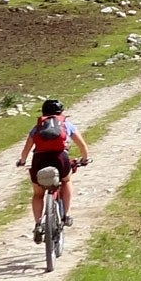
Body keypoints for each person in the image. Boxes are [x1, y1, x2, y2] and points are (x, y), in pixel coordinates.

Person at [15, 98, 90, 242]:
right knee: (66, 181)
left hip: (39, 160)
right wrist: (84, 159)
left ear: (43, 112)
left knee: (38, 194)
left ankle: (38, 224)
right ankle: (66, 215)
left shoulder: (38, 127)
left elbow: (26, 149)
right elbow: (82, 146)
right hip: (60, 158)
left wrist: (22, 161)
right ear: (61, 112)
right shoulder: (66, 124)